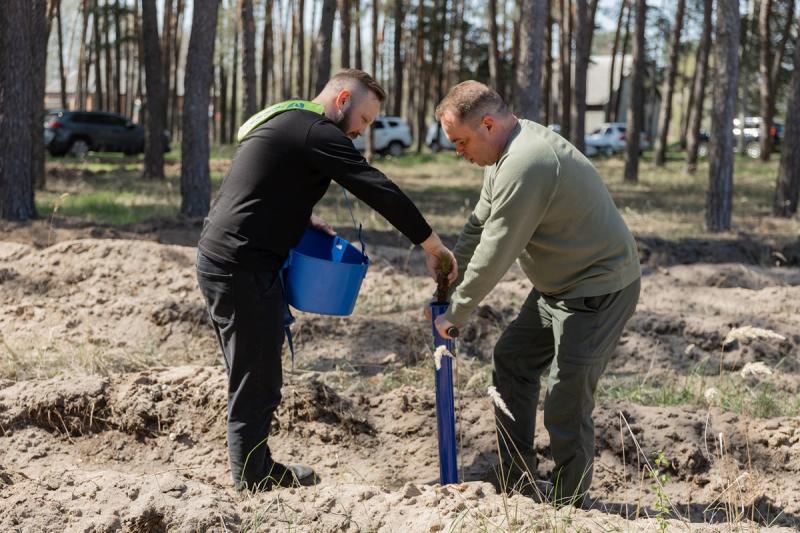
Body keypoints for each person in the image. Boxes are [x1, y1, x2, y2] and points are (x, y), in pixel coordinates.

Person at [196, 69, 456, 492]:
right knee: (256, 376)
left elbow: (260, 186)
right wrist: (431, 245)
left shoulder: (290, 122)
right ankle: (251, 480)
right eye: (365, 119)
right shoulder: (317, 132)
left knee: (259, 370)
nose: (362, 131)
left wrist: (301, 217)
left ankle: (257, 464)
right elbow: (377, 187)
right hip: (239, 266)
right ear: (341, 102)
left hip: (235, 259)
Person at [431, 81, 640, 506]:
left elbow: (498, 247)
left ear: (487, 124)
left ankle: (569, 505)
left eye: (461, 142)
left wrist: (458, 312)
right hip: (557, 288)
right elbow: (477, 226)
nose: (459, 152)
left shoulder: (528, 161)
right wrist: (452, 272)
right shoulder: (503, 155)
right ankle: (517, 478)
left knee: (566, 396)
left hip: (597, 288)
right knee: (513, 360)